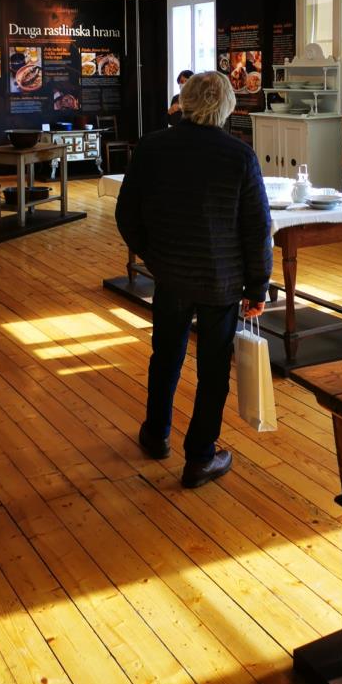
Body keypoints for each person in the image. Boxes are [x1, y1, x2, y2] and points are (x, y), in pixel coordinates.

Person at [116, 70, 272, 489]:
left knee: (165, 356)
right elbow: (257, 229)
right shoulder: (239, 156)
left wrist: (154, 256)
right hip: (221, 281)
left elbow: (126, 214)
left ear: (183, 101)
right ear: (227, 107)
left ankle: (156, 434)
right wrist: (258, 286)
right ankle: (200, 458)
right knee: (213, 371)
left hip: (171, 276)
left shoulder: (152, 147)